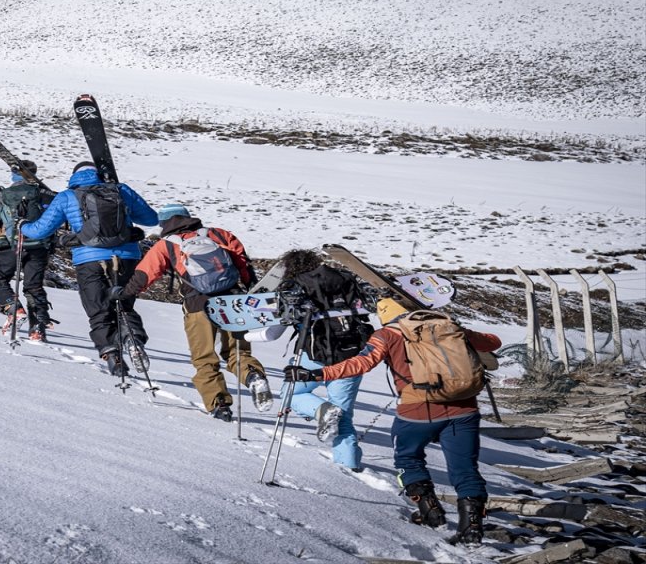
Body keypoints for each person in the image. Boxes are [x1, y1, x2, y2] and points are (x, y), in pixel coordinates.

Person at [283, 298, 502, 547]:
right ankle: (472, 529)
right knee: (465, 469)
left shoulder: (386, 334)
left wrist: (319, 373)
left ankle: (430, 513)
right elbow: (494, 342)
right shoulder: (447, 326)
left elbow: (361, 363)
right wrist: (460, 332)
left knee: (408, 459)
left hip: (418, 409)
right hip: (464, 408)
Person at [111, 203, 273, 421]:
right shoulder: (218, 234)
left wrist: (125, 294)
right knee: (238, 354)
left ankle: (219, 405)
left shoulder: (167, 244)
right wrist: (249, 290)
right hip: (234, 302)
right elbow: (243, 264)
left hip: (198, 305)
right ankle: (253, 377)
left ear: (164, 223)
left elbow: (144, 275)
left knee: (204, 357)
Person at [20, 161, 157, 374]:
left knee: (98, 309)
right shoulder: (120, 190)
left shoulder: (67, 196)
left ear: (74, 176)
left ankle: (112, 355)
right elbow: (151, 218)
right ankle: (133, 340)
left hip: (89, 260)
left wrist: (22, 226)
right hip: (127, 257)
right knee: (124, 305)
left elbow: (39, 230)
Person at [279, 249, 371, 470]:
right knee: (344, 416)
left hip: (315, 354)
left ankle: (322, 410)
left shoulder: (295, 285)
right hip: (352, 353)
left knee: (290, 394)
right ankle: (348, 465)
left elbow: (282, 320)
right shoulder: (345, 278)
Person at [0, 160, 56, 341]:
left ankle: (14, 310)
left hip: (11, 246)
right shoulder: (47, 195)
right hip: (39, 248)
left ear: (14, 175)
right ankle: (37, 329)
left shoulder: (3, 194)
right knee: (33, 287)